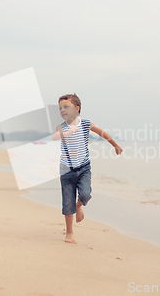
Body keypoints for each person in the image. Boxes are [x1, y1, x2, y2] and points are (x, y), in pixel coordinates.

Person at [51, 93, 123, 244]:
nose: (62, 110)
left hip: (83, 168)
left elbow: (103, 133)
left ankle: (79, 206)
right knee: (67, 202)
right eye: (60, 108)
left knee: (85, 194)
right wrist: (67, 132)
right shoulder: (62, 127)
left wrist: (115, 145)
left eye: (66, 107)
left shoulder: (85, 124)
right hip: (66, 170)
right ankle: (69, 232)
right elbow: (55, 137)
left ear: (77, 109)